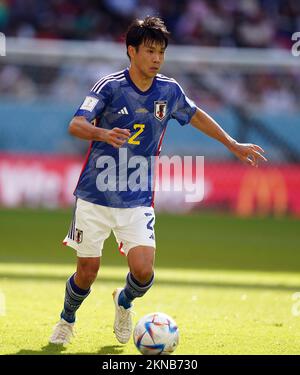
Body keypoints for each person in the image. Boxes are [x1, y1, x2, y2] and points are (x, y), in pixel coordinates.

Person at [49, 16, 267, 345]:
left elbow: (196, 116)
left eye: (161, 52)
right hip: (95, 195)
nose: (156, 58)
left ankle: (123, 303)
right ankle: (67, 320)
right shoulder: (109, 86)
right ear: (131, 51)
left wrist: (232, 143)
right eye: (150, 51)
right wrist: (103, 133)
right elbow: (76, 125)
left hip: (137, 196)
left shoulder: (169, 90)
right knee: (87, 272)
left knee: (143, 270)